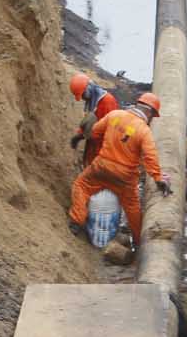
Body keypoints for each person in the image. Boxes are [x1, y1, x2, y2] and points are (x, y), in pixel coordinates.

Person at [69, 95, 169, 244]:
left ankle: (76, 222)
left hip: (101, 167)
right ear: (150, 113)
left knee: (81, 185)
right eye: (153, 116)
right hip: (125, 177)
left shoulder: (114, 115)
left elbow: (95, 132)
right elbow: (150, 157)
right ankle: (138, 242)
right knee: (132, 208)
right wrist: (158, 178)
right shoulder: (144, 130)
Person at [68, 72, 120, 165]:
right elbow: (89, 122)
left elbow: (111, 130)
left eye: (83, 95)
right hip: (94, 144)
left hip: (103, 147)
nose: (83, 99)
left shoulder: (107, 102)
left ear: (88, 88)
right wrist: (80, 134)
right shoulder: (93, 101)